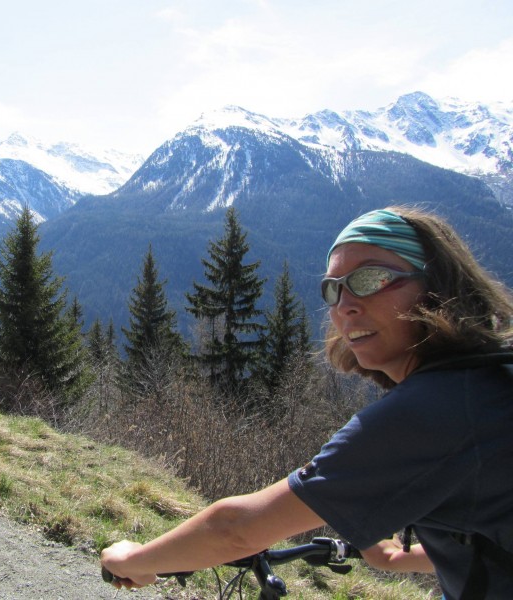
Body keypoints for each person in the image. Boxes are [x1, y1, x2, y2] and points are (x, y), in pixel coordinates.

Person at [100, 206, 513, 599]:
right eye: (333, 289)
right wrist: (394, 559)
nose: (345, 305)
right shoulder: (485, 381)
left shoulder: (432, 411)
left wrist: (133, 558)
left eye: (371, 280)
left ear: (437, 285)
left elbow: (236, 529)